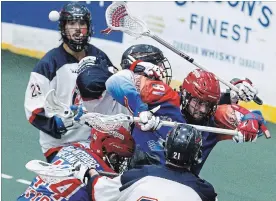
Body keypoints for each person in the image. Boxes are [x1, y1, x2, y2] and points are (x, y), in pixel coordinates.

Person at [105, 44, 270, 175]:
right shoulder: (163, 96)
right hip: (137, 178)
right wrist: (141, 110)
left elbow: (253, 118)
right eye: (197, 102)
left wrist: (250, 122)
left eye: (208, 104)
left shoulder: (215, 119)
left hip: (182, 188)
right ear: (185, 95)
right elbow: (115, 81)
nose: (202, 110)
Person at [24, 2, 114, 161]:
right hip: (60, 144)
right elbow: (33, 109)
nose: (78, 28)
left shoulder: (99, 57)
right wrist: (57, 124)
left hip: (95, 141)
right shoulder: (48, 65)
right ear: (63, 28)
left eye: (82, 23)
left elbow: (115, 92)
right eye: (72, 23)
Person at [75, 124, 218, 201]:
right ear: (196, 155)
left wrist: (89, 172)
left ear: (167, 147)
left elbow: (99, 191)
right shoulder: (205, 192)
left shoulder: (141, 174)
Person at [17, 126, 135, 201]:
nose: (120, 163)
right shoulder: (103, 176)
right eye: (118, 158)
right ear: (108, 152)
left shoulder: (70, 147)